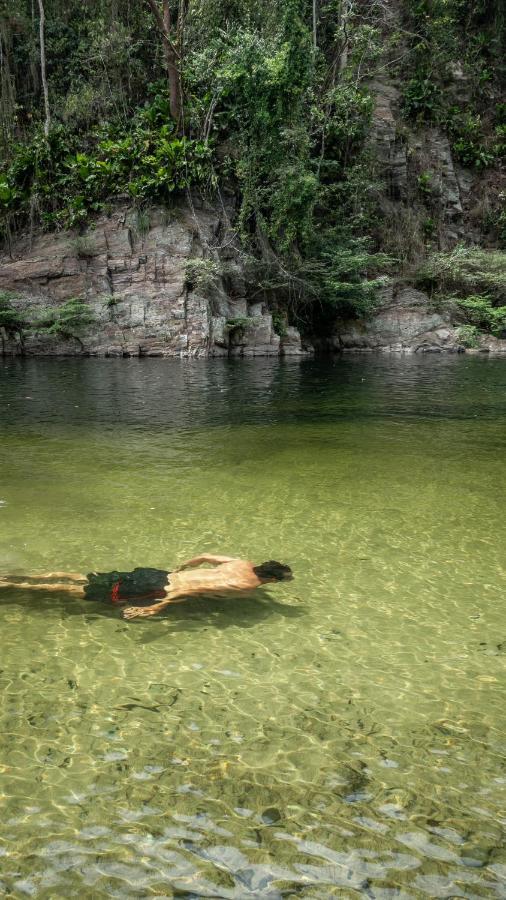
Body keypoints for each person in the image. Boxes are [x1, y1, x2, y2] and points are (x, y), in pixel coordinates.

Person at [0, 555, 293, 620]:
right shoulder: (245, 588)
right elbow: (190, 593)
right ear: (271, 580)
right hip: (157, 589)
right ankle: (18, 587)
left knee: (87, 577)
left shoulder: (239, 563)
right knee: (82, 593)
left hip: (158, 574)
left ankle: (17, 576)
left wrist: (180, 569)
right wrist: (155, 607)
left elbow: (203, 556)